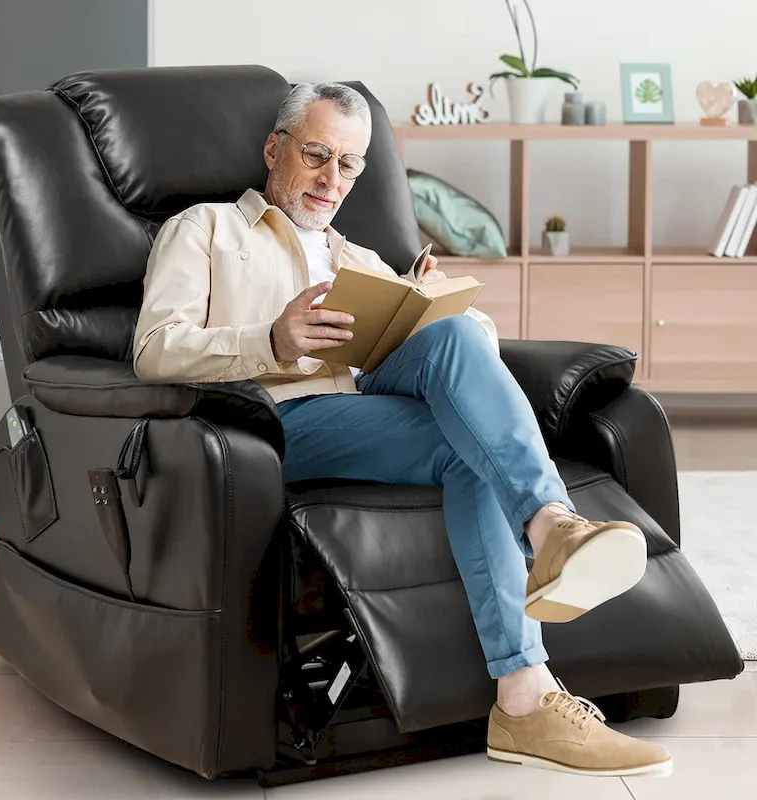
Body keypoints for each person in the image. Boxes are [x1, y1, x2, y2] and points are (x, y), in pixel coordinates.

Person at [132, 82, 672, 778]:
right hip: (274, 421)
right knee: (471, 431)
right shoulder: (206, 229)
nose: (332, 178)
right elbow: (154, 350)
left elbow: (468, 352)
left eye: (350, 164)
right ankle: (547, 556)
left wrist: (439, 306)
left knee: (461, 377)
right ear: (274, 149)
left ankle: (528, 678)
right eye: (317, 155)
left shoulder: (359, 259)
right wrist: (271, 338)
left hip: (366, 404)